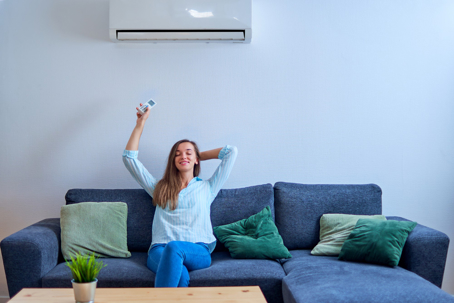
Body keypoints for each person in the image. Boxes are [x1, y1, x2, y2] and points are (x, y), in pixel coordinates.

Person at [122, 104, 238, 287]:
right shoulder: (159, 188)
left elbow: (231, 152)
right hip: (160, 250)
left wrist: (198, 155)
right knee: (180, 274)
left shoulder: (208, 187)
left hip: (197, 250)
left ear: (196, 158)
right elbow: (129, 159)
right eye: (178, 154)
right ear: (173, 161)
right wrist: (140, 123)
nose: (183, 156)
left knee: (175, 247)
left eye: (188, 153)